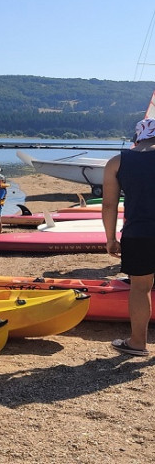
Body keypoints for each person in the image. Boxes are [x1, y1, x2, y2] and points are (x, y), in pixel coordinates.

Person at [102, 117, 155, 357]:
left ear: (137, 137)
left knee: (141, 288)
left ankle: (137, 343)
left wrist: (110, 238)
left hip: (138, 233)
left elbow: (109, 205)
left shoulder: (117, 161)